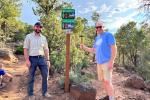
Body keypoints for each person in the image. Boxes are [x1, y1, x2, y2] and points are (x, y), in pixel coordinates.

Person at [80, 21, 117, 100]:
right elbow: (93, 50)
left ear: (103, 26)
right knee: (103, 81)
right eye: (97, 27)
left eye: (100, 27)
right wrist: (84, 47)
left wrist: (111, 61)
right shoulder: (97, 38)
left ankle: (112, 98)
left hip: (107, 62)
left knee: (107, 81)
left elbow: (114, 48)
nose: (98, 29)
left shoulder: (108, 35)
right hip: (99, 63)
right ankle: (108, 95)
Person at [23, 22, 51, 99]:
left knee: (45, 75)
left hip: (42, 59)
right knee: (31, 76)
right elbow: (25, 49)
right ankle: (30, 94)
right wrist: (27, 60)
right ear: (34, 27)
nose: (39, 28)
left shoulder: (43, 38)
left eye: (40, 27)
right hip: (32, 59)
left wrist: (48, 60)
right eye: (37, 27)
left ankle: (45, 92)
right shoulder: (28, 36)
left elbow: (46, 49)